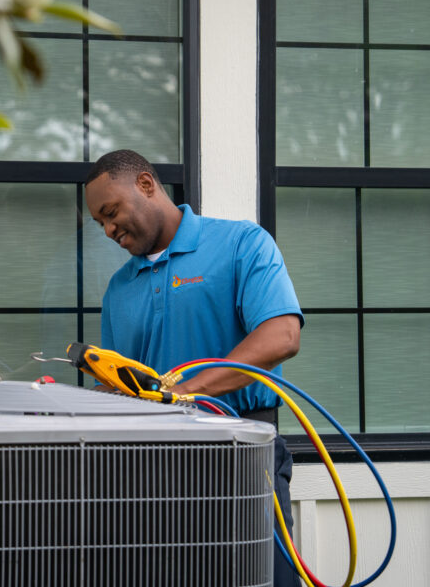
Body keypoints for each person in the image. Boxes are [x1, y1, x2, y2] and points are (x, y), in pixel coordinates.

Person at [84, 149, 303, 587]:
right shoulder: (118, 289)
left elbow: (282, 335)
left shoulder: (241, 244)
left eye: (111, 213)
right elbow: (123, 385)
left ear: (146, 185)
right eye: (100, 224)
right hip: (148, 472)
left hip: (242, 456)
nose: (108, 231)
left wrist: (185, 388)